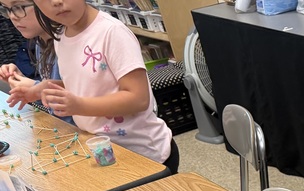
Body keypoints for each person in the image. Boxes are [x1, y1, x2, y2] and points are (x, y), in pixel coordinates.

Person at [5, 0, 176, 170]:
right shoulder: (61, 36)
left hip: (147, 155)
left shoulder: (111, 32)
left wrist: (79, 105)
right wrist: (44, 88)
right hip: (105, 148)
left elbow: (138, 99)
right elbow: (86, 82)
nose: (56, 2)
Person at [0, 0, 73, 123]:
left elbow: (85, 97)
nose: (12, 16)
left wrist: (37, 88)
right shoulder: (40, 41)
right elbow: (51, 106)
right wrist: (24, 84)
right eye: (7, 9)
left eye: (19, 7)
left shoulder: (69, 43)